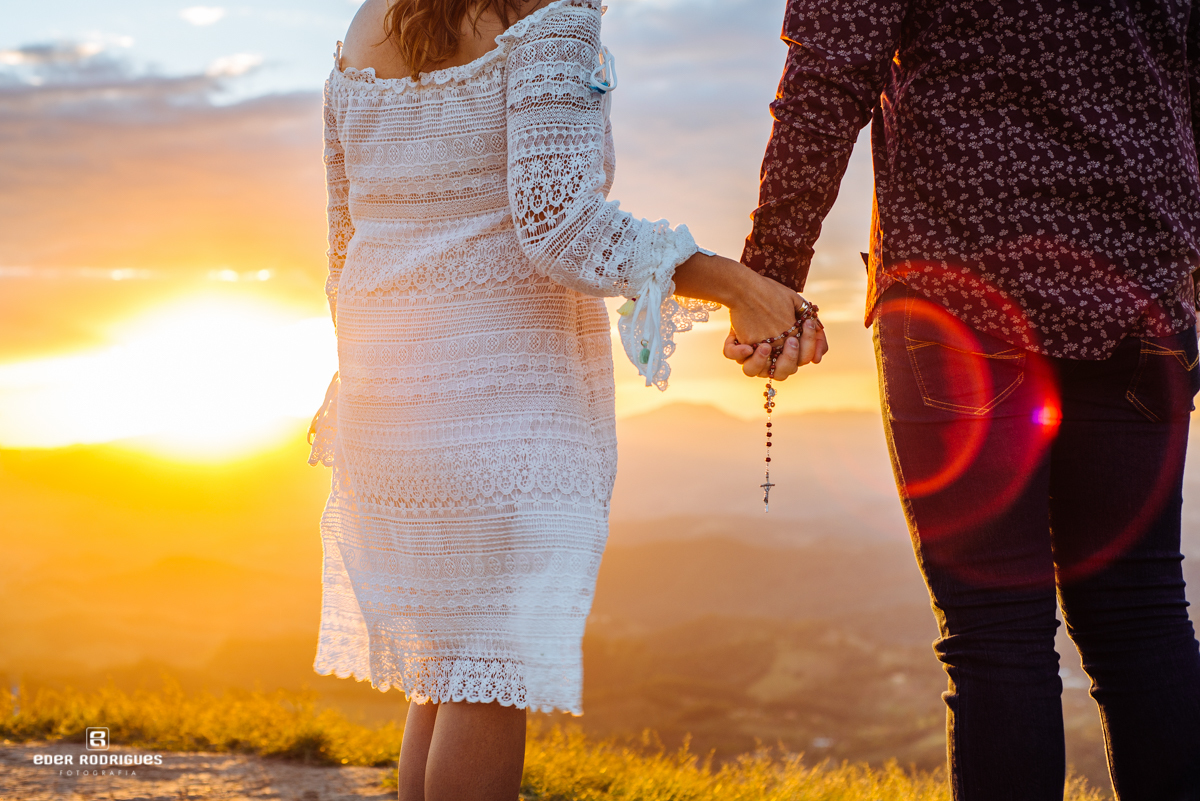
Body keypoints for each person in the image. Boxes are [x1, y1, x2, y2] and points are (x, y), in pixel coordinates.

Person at [305, 1, 828, 799]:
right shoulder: (547, 12)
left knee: (450, 665)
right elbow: (560, 227)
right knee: (492, 668)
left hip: (387, 390)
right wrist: (734, 282)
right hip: (501, 396)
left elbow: (343, 241)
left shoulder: (369, 19)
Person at [726, 1, 1200, 799]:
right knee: (1140, 615)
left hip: (962, 285)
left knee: (997, 634)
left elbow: (832, 64)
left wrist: (771, 272)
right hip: (1139, 283)